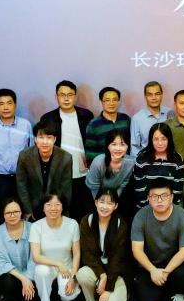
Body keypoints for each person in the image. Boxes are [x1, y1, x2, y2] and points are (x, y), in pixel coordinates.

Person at [131, 179, 184, 301]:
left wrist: (165, 272)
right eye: (154, 196)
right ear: (148, 199)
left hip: (174, 264)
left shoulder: (182, 215)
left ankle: (177, 292)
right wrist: (153, 270)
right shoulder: (141, 216)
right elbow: (137, 250)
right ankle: (164, 287)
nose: (159, 200)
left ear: (171, 197)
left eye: (164, 196)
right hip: (150, 264)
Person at [39, 80, 95, 222]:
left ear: (75, 96)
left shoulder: (86, 115)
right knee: (63, 213)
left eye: (70, 95)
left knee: (85, 213)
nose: (66, 98)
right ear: (56, 97)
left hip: (83, 173)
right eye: (62, 95)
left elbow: (92, 143)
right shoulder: (48, 118)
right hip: (59, 174)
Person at [0, 88, 32, 226]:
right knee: (0, 216)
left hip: (21, 178)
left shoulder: (26, 125)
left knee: (23, 215)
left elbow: (32, 155)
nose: (6, 107)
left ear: (15, 105)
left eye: (9, 103)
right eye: (1, 104)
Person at [76, 189, 130, 301]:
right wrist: (102, 275)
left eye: (110, 203)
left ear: (115, 206)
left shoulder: (120, 225)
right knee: (82, 274)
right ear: (96, 202)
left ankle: (116, 293)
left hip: (116, 274)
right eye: (102, 202)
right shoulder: (86, 221)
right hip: (97, 270)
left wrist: (108, 289)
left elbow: (118, 259)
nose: (105, 207)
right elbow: (87, 254)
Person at [30, 193, 81, 301]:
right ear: (43, 208)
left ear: (62, 207)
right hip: (47, 266)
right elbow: (36, 256)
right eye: (48, 205)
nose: (53, 208)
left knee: (68, 296)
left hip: (66, 268)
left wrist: (73, 278)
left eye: (57, 204)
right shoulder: (36, 226)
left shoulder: (72, 224)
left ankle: (59, 290)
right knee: (41, 270)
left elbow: (77, 253)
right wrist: (58, 264)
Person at [16, 121, 73, 220]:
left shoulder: (66, 157)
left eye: (49, 138)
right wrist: (28, 210)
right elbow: (22, 186)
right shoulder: (24, 156)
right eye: (41, 137)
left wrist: (60, 210)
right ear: (35, 139)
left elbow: (66, 189)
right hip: (33, 207)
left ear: (54, 139)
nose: (45, 142)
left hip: (56, 207)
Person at [0, 198, 36, 301]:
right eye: (8, 213)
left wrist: (27, 278)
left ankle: (19, 300)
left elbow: (35, 257)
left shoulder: (32, 228)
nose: (12, 215)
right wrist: (22, 278)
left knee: (33, 294)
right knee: (8, 281)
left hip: (31, 275)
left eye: (16, 212)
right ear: (3, 214)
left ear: (21, 212)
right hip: (8, 276)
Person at [131, 123, 184, 214]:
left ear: (169, 139)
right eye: (156, 139)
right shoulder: (142, 159)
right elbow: (139, 189)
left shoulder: (177, 159)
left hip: (170, 208)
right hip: (146, 208)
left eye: (164, 139)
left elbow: (178, 189)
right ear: (151, 140)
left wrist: (170, 208)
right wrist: (147, 209)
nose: (160, 143)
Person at [85, 128, 136, 209]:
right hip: (93, 195)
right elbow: (94, 187)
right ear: (108, 146)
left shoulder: (131, 162)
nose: (118, 148)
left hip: (114, 196)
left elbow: (124, 183)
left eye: (122, 144)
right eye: (114, 144)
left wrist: (113, 202)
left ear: (127, 146)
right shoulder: (98, 162)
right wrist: (101, 205)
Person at [84, 87, 131, 164]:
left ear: (119, 101)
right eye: (107, 100)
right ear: (101, 101)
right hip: (104, 166)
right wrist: (109, 159)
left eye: (115, 100)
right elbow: (89, 153)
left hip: (126, 165)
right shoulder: (93, 124)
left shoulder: (125, 119)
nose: (111, 103)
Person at [132, 81, 173, 156]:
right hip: (146, 159)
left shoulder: (170, 113)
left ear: (162, 95)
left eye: (157, 94)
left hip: (169, 159)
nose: (154, 98)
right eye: (150, 95)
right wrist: (139, 162)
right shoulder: (137, 118)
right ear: (145, 97)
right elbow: (134, 147)